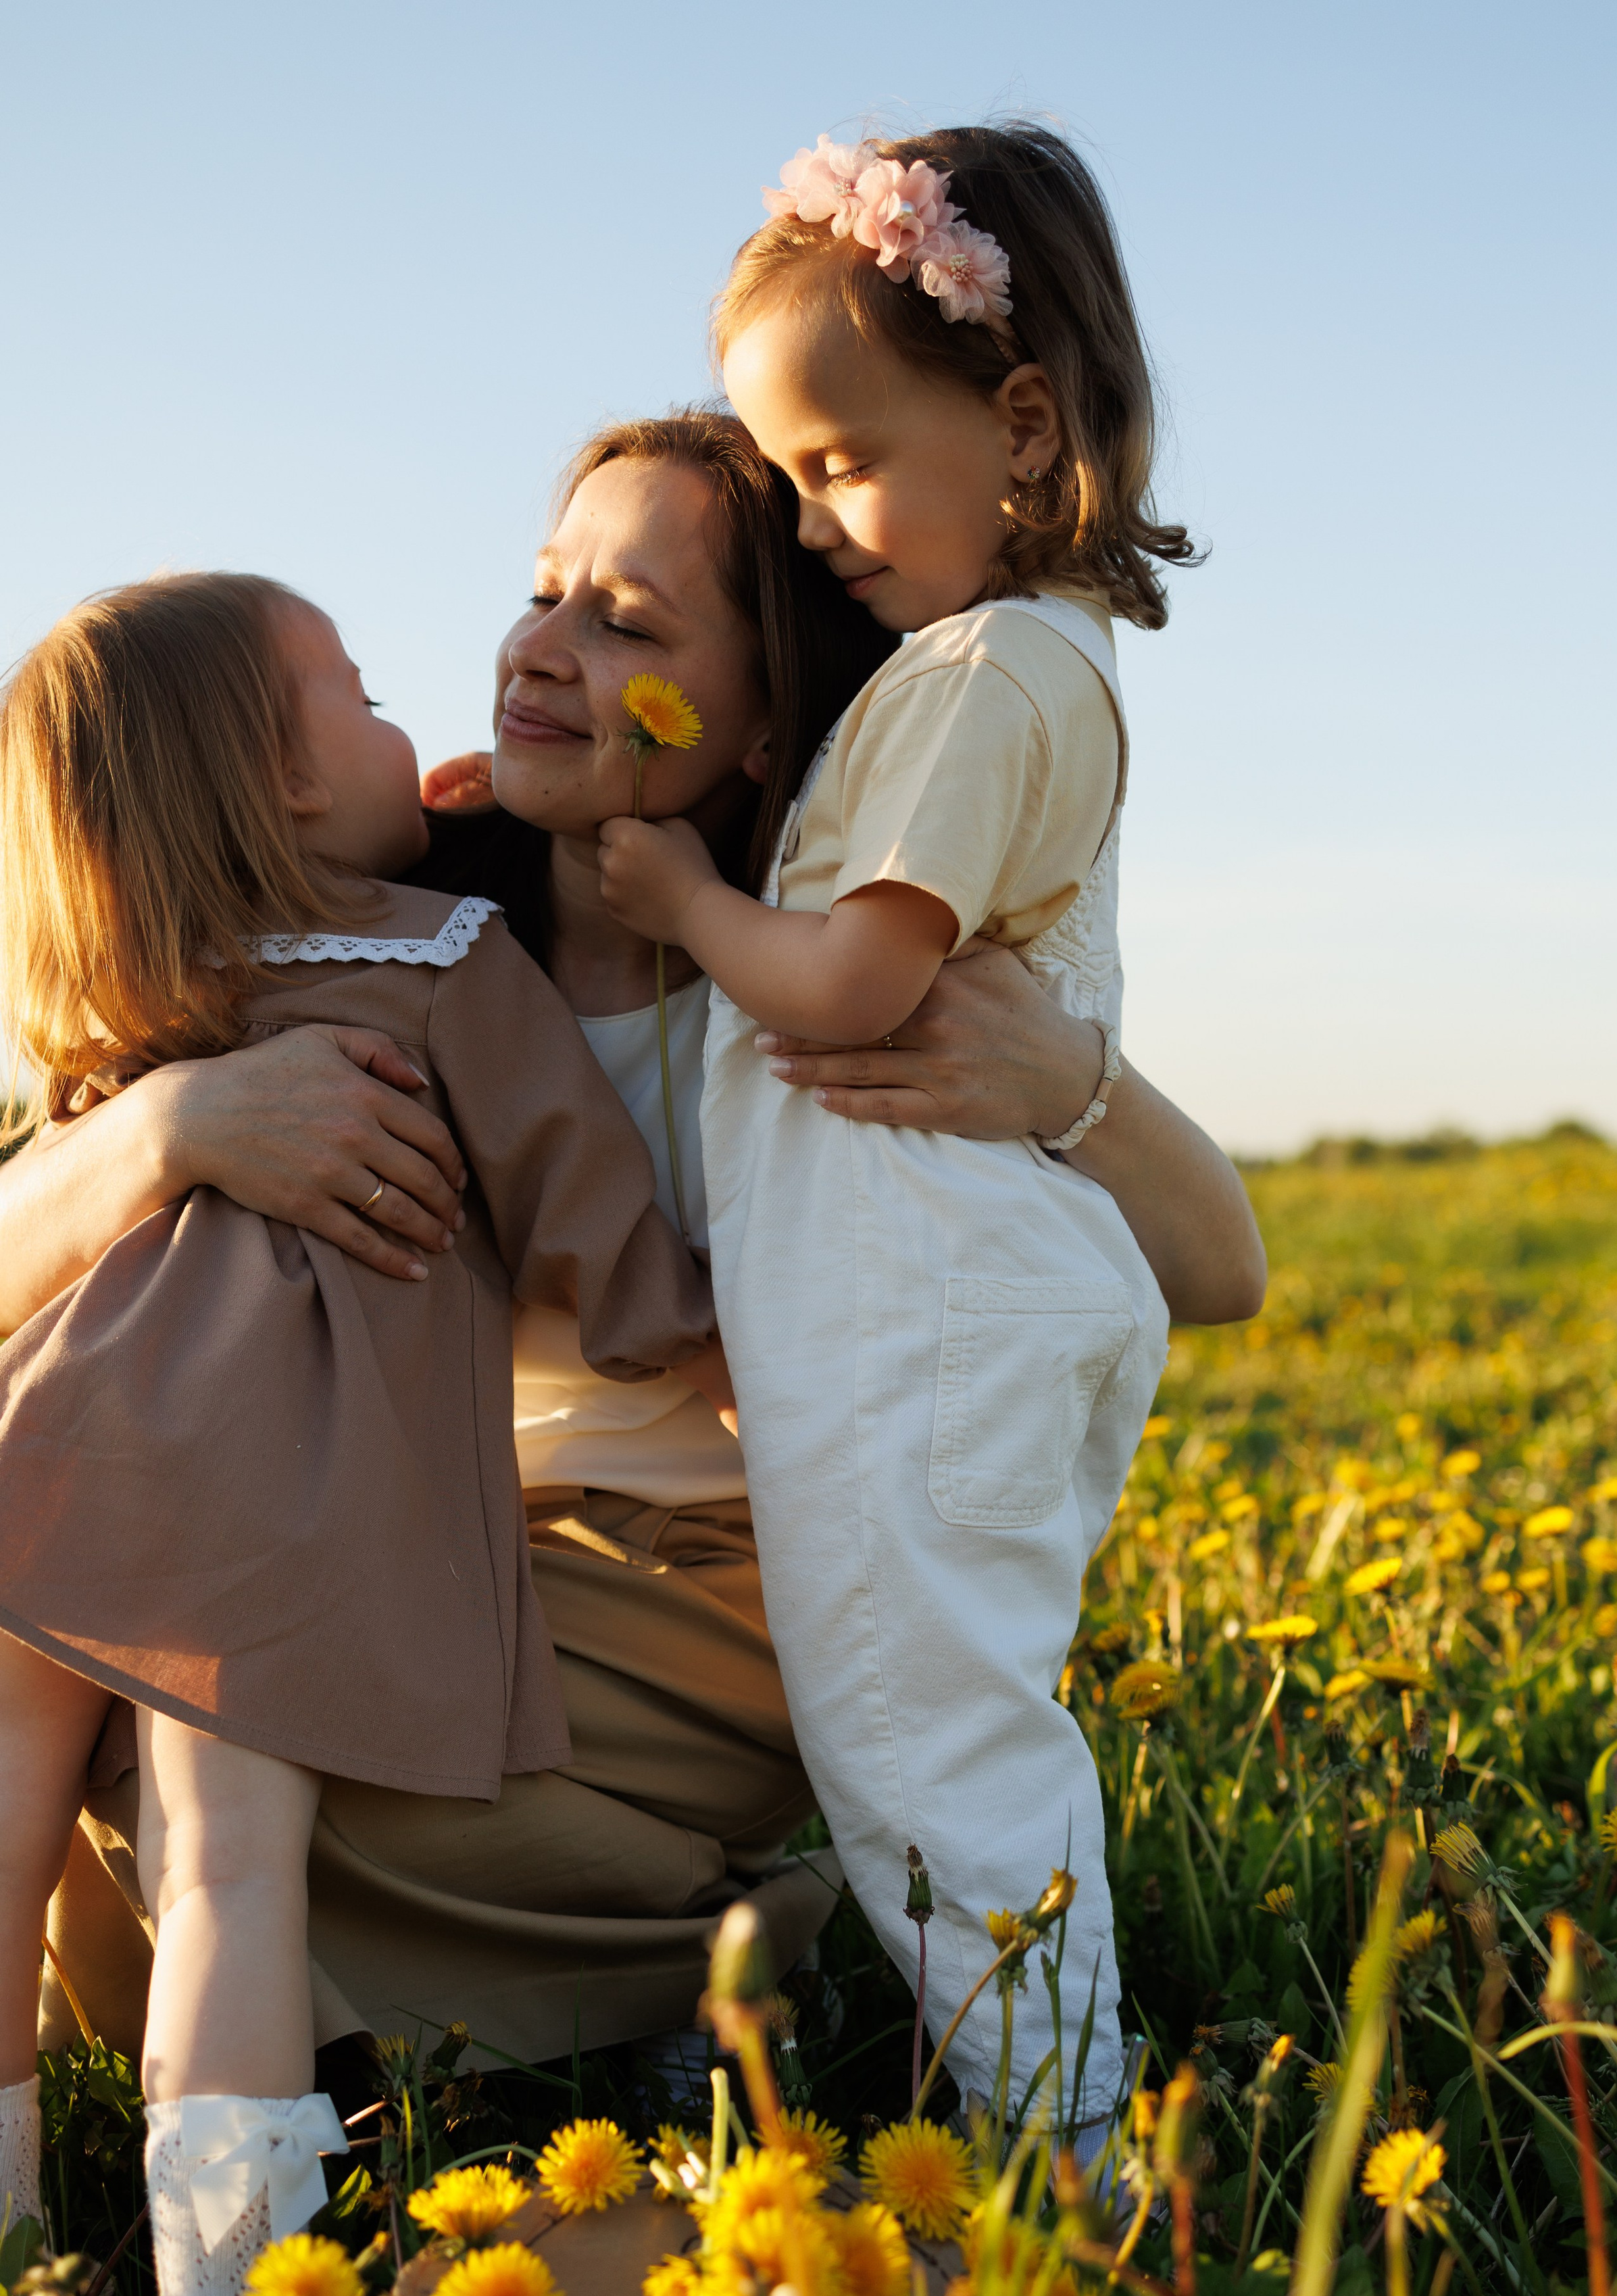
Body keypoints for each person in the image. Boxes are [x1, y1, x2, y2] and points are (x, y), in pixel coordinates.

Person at [4, 420, 1264, 2152]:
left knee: (228, 1780)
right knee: (101, 1719)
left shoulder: (832, 967)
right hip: (421, 1532)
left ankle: (693, 1977)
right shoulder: (393, 909)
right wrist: (172, 1127)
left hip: (718, 1585)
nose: (539, 649)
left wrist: (1067, 1081)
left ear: (763, 725)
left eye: (628, 627)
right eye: (543, 593)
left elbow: (1222, 1268)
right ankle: (519, 2007)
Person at [0, 572, 716, 2296]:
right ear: (288, 775)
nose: (409, 729)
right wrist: (698, 1327)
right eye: (368, 696)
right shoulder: (442, 959)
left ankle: (12, 2253)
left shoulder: (130, 999)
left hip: (44, 1452)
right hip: (256, 1501)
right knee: (231, 1875)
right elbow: (585, 1217)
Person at [595, 126, 1199, 2139]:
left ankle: (1075, 2159)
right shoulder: (1006, 665)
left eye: (841, 463)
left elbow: (859, 981)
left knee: (918, 1737)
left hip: (925, 1299)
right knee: (929, 1715)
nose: (811, 522)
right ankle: (1019, 2093)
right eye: (786, 479)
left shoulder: (984, 668)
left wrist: (687, 899)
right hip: (962, 1286)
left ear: (1020, 426)